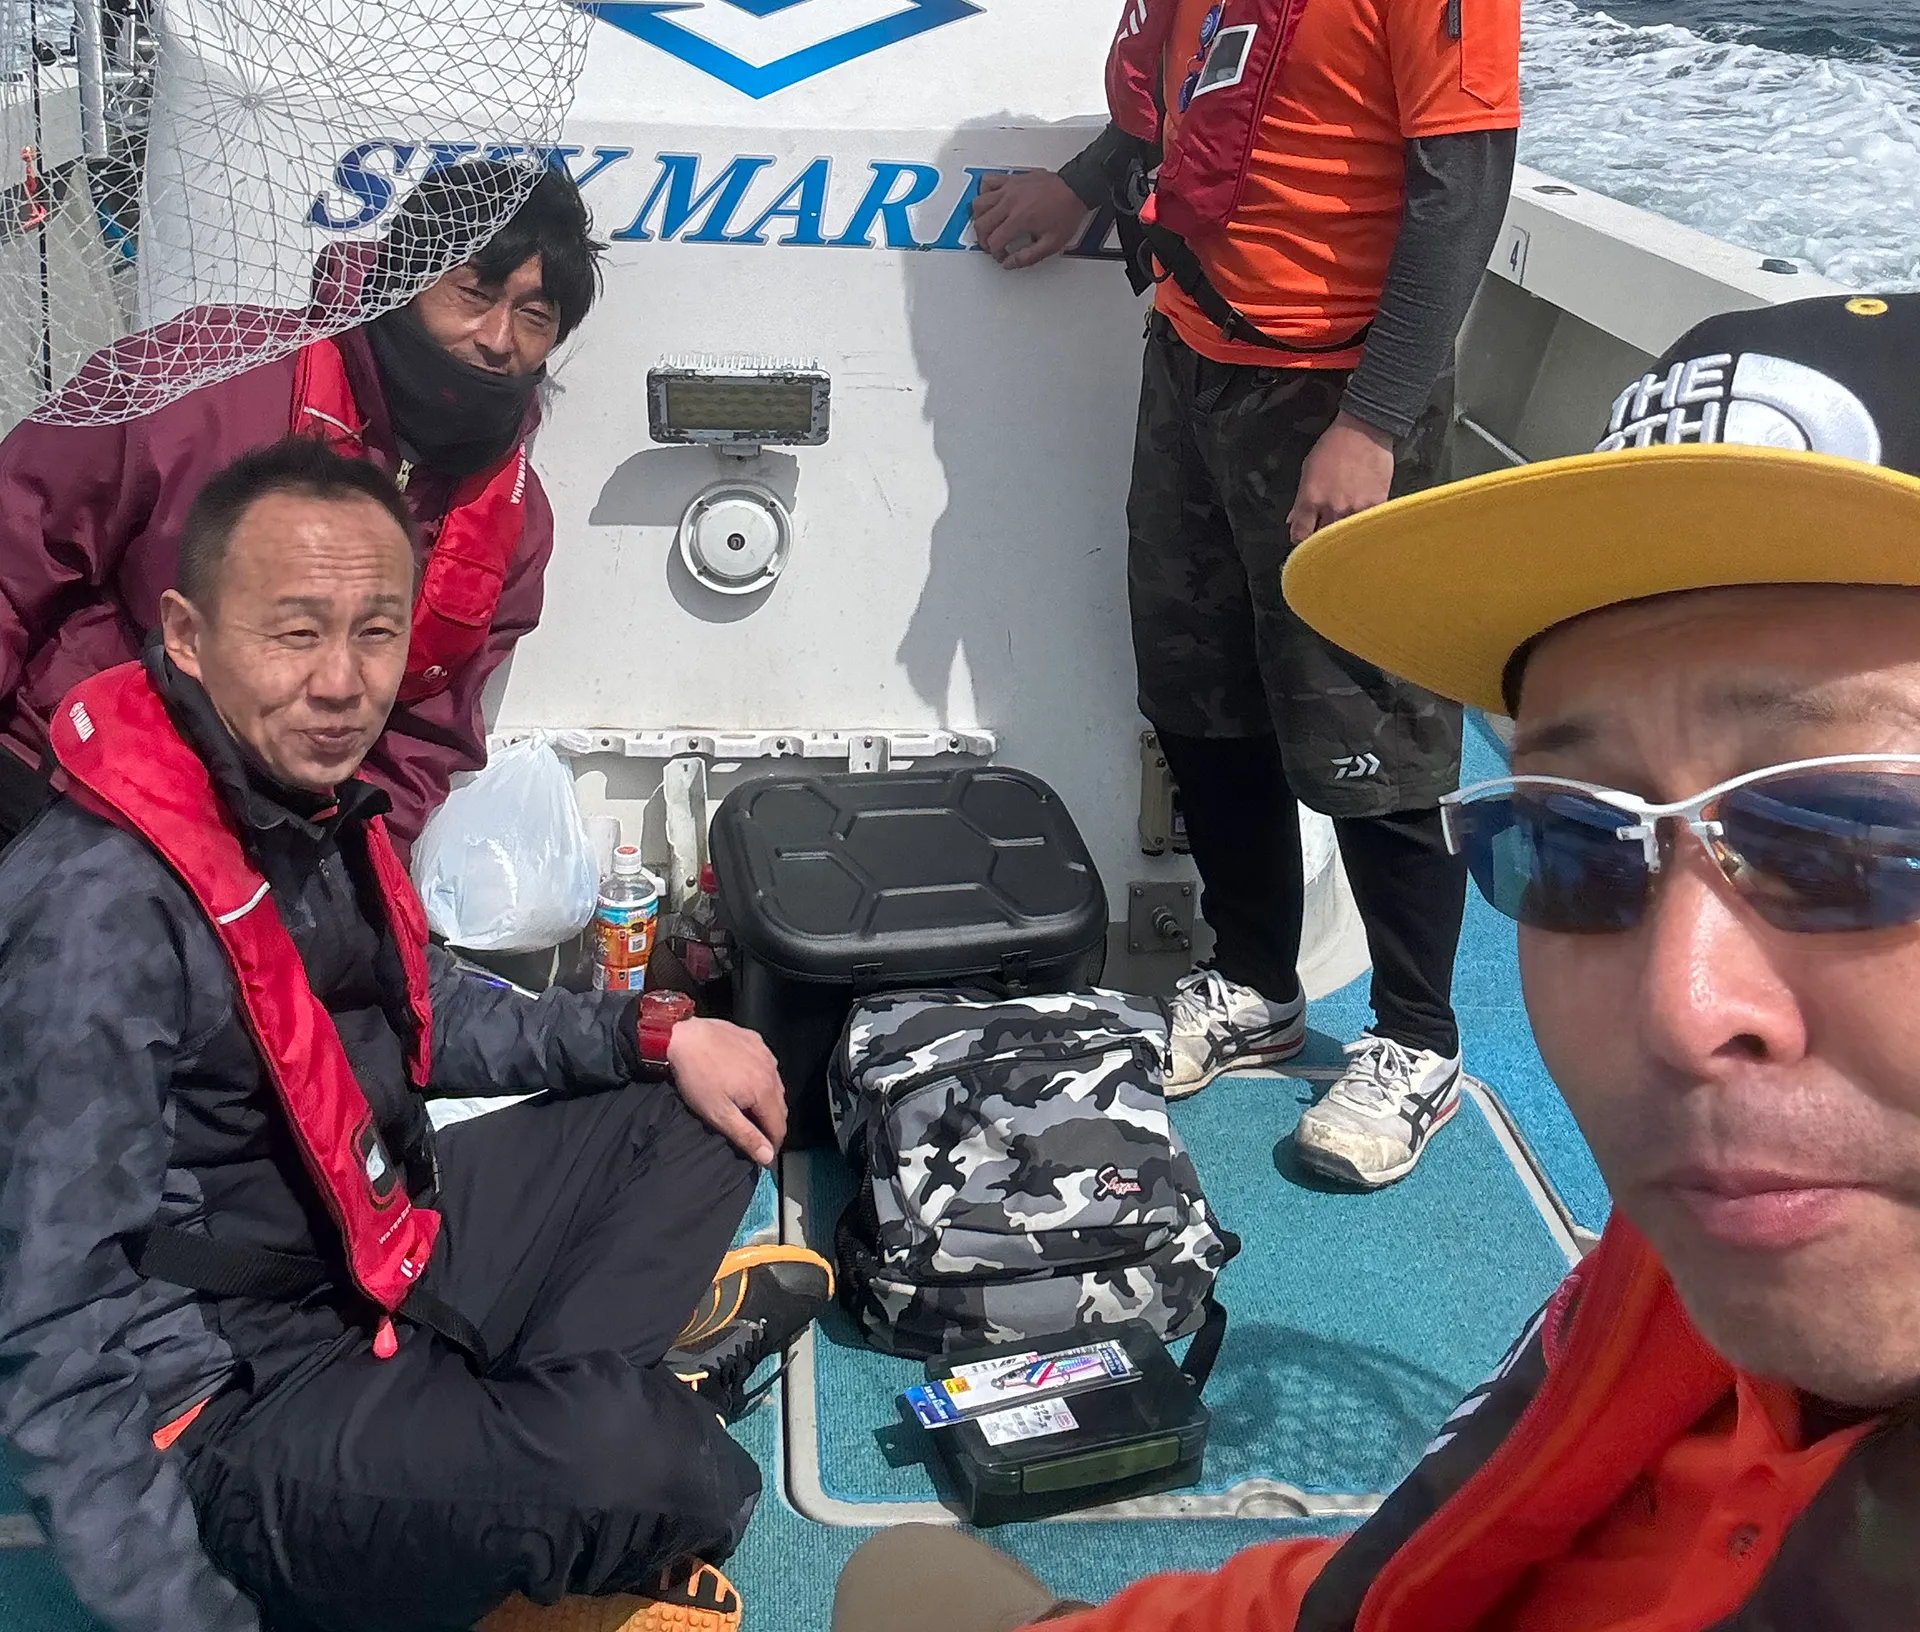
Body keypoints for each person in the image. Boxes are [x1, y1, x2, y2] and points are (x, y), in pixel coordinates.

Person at [830, 288, 1920, 1629]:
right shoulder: (1697, 1250)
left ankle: (1414, 1038)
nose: (1678, 1007)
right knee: (898, 1579)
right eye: (1567, 845)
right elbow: (1408, 1577)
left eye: (1851, 837)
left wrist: (1376, 407)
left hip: (1326, 365)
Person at [0, 434, 833, 1632]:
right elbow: (53, 1322)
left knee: (701, 1104)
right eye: (295, 632)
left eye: (376, 633)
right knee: (648, 1468)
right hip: (241, 1403)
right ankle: (580, 1444)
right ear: (187, 635)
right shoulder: (96, 913)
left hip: (380, 1244)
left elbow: (422, 1016)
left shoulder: (298, 798)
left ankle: (519, 1446)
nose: (342, 682)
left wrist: (649, 1034)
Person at [972, 0, 1524, 1184]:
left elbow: (1459, 202)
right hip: (1195, 355)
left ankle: (1417, 1040)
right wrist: (1079, 191)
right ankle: (1258, 984)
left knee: (1371, 724)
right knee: (1201, 692)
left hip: (1338, 391)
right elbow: (1190, 95)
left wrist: (1374, 425)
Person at [0, 157, 602, 854]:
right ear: (406, 275)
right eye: (473, 293)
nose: (497, 339)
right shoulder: (204, 371)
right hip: (61, 790)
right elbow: (17, 551)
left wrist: (351, 868)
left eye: (534, 316)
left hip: (259, 850)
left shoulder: (516, 521)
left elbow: (422, 739)